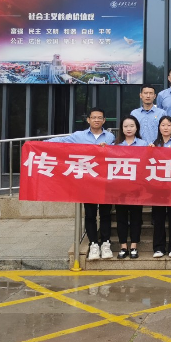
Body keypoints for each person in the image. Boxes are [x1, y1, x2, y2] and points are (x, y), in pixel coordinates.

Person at [47, 107, 115, 261]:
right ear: (88, 120)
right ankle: (93, 244)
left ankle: (106, 244)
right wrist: (38, 145)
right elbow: (61, 142)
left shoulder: (110, 137)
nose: (97, 120)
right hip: (87, 182)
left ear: (104, 120)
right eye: (94, 117)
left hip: (105, 181)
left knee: (105, 214)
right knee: (90, 214)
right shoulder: (79, 136)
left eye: (100, 117)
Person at [114, 115, 147, 260]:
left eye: (132, 126)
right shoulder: (115, 145)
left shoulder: (143, 144)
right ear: (122, 128)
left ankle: (134, 246)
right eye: (126, 126)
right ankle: (123, 246)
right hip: (120, 188)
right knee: (121, 217)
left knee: (136, 217)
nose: (129, 129)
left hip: (137, 188)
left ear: (136, 128)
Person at [149, 116, 171, 259]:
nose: (166, 127)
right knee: (159, 218)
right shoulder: (154, 144)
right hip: (158, 188)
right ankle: (159, 247)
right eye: (163, 125)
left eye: (169, 125)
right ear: (159, 127)